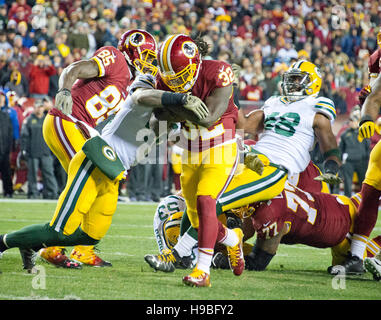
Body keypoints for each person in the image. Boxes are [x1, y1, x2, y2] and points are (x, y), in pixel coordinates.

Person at [145, 58, 341, 286]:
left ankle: (180, 254)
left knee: (210, 202)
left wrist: (332, 165)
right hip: (251, 157)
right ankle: (212, 244)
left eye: (298, 80)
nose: (293, 84)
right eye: (291, 79)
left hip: (276, 168)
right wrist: (226, 90)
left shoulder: (316, 107)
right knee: (200, 199)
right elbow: (245, 124)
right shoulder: (274, 102)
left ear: (313, 83)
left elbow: (328, 140)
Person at [0, 72, 209, 273]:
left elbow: (188, 130)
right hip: (96, 161)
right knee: (59, 230)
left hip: (114, 172)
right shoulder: (147, 85)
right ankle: (4, 241)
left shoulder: (170, 122)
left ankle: (31, 243)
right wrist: (179, 99)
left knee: (90, 236)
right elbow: (140, 95)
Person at [39, 29, 159, 268]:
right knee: (90, 180)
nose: (148, 62)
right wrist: (64, 90)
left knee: (106, 186)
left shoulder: (130, 83)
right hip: (67, 120)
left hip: (83, 127)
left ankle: (83, 249)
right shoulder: (115, 57)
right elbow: (73, 69)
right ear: (132, 50)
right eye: (146, 55)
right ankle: (51, 246)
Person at [151, 34, 244, 287]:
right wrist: (180, 101)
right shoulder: (164, 79)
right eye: (171, 78)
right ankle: (232, 239)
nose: (176, 83)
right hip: (190, 149)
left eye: (180, 75)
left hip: (220, 145)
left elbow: (209, 117)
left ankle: (202, 271)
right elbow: (156, 118)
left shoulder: (219, 72)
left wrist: (172, 105)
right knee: (196, 218)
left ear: (196, 62)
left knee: (206, 202)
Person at [238, 181, 381, 274]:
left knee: (363, 263)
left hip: (342, 228)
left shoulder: (268, 212)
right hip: (336, 203)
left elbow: (257, 262)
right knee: (370, 195)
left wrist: (224, 259)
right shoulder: (272, 184)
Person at [332, 36, 381, 276]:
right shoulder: (376, 60)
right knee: (369, 194)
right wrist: (367, 118)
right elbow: (373, 96)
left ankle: (373, 252)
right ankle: (357, 256)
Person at [20, 99, 58, 199]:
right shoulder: (28, 120)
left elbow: (53, 136)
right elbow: (24, 137)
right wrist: (23, 150)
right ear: (34, 107)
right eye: (38, 107)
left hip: (46, 152)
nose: (40, 109)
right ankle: (33, 193)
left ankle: (52, 193)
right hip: (33, 153)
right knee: (32, 175)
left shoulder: (47, 119)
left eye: (41, 107)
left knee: (49, 174)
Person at [338, 107, 370, 197]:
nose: (351, 123)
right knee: (347, 184)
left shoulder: (363, 133)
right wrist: (341, 162)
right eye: (350, 121)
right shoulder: (345, 134)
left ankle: (364, 200)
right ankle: (347, 201)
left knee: (363, 183)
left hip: (361, 162)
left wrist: (367, 161)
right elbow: (341, 149)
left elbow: (367, 148)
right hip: (349, 163)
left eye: (353, 121)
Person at [0, 97, 14, 198]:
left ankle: (8, 191)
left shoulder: (6, 116)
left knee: (6, 171)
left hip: (4, 148)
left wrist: (9, 147)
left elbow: (10, 132)